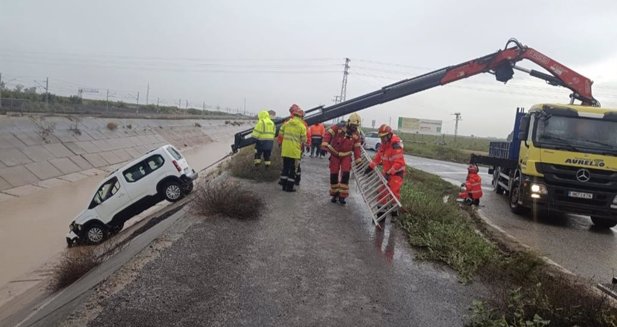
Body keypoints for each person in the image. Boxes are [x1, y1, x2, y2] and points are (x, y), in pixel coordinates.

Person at [321, 113, 363, 205]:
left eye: (356, 126)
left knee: (345, 175)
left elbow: (357, 148)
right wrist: (324, 146)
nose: (354, 128)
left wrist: (358, 159)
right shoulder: (339, 127)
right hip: (335, 154)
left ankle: (342, 196)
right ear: (348, 123)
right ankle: (334, 194)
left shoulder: (356, 134)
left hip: (346, 156)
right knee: (334, 174)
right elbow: (328, 134)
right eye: (353, 125)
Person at [364, 124, 406, 211]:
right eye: (381, 137)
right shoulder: (383, 145)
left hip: (396, 173)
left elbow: (399, 163)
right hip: (386, 172)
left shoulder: (396, 146)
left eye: (384, 137)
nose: (382, 139)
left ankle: (394, 213)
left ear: (389, 135)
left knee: (393, 193)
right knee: (381, 192)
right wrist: (370, 167)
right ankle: (380, 214)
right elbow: (377, 158)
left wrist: (389, 173)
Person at [279, 108, 307, 192]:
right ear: (301, 116)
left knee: (285, 168)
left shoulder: (286, 124)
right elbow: (304, 140)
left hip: (285, 150)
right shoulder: (302, 126)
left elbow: (280, 133)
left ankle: (283, 185)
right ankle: (289, 187)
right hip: (295, 151)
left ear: (294, 115)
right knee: (292, 169)